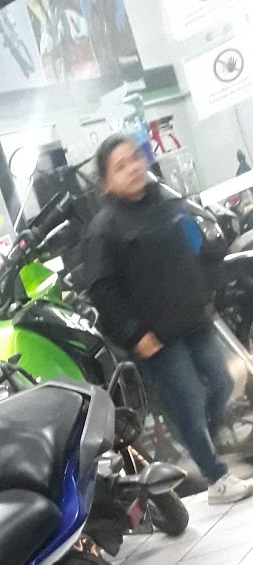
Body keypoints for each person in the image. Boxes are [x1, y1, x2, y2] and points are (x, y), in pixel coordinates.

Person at [85, 133, 251, 505]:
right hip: (156, 336)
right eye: (120, 166)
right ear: (106, 183)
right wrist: (134, 333)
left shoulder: (164, 204)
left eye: (134, 158)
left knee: (223, 381)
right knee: (188, 400)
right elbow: (102, 290)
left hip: (193, 319)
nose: (132, 168)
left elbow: (192, 250)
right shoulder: (104, 229)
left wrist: (207, 288)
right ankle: (216, 478)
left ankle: (199, 443)